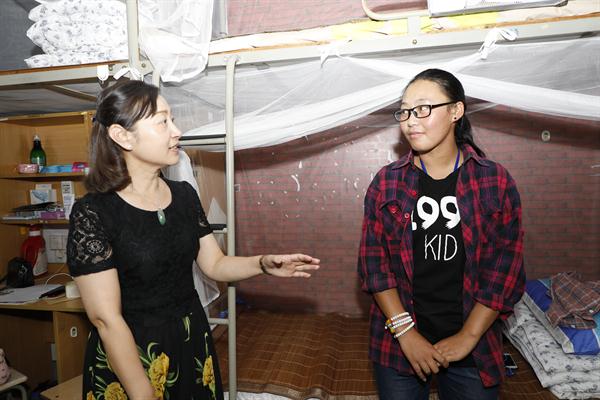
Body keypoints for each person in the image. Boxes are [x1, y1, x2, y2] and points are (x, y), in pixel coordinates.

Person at [66, 79, 320, 400]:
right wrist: (143, 393)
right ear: (122, 135)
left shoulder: (184, 195)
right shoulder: (93, 212)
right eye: (162, 122)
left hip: (190, 342)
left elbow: (214, 264)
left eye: (172, 119)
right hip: (132, 355)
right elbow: (106, 319)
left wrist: (263, 264)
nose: (177, 131)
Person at [358, 69, 525, 400]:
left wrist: (468, 336)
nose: (410, 121)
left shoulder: (494, 180)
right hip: (399, 344)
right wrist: (406, 334)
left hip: (473, 346)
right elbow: (374, 266)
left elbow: (505, 270)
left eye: (422, 109)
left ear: (456, 111)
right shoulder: (387, 182)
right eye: (404, 111)